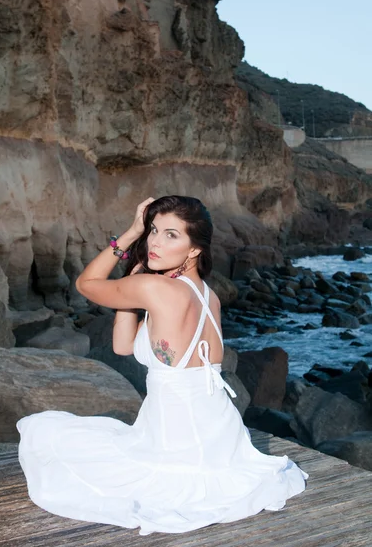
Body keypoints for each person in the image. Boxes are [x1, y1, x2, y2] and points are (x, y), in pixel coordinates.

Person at [17, 195, 308, 536]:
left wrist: (129, 234)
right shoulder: (206, 295)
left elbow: (85, 284)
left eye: (171, 235)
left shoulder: (157, 289)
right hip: (219, 435)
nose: (154, 241)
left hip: (177, 439)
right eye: (153, 231)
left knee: (44, 432)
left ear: (194, 250)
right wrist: (131, 293)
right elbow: (123, 345)